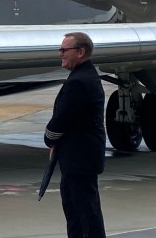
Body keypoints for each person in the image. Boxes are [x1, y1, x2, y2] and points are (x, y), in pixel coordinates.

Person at [44, 32, 106, 238]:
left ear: (80, 52)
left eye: (64, 50)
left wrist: (49, 138)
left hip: (79, 158)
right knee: (77, 211)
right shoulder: (85, 76)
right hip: (79, 158)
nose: (60, 54)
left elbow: (63, 118)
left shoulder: (79, 81)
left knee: (85, 213)